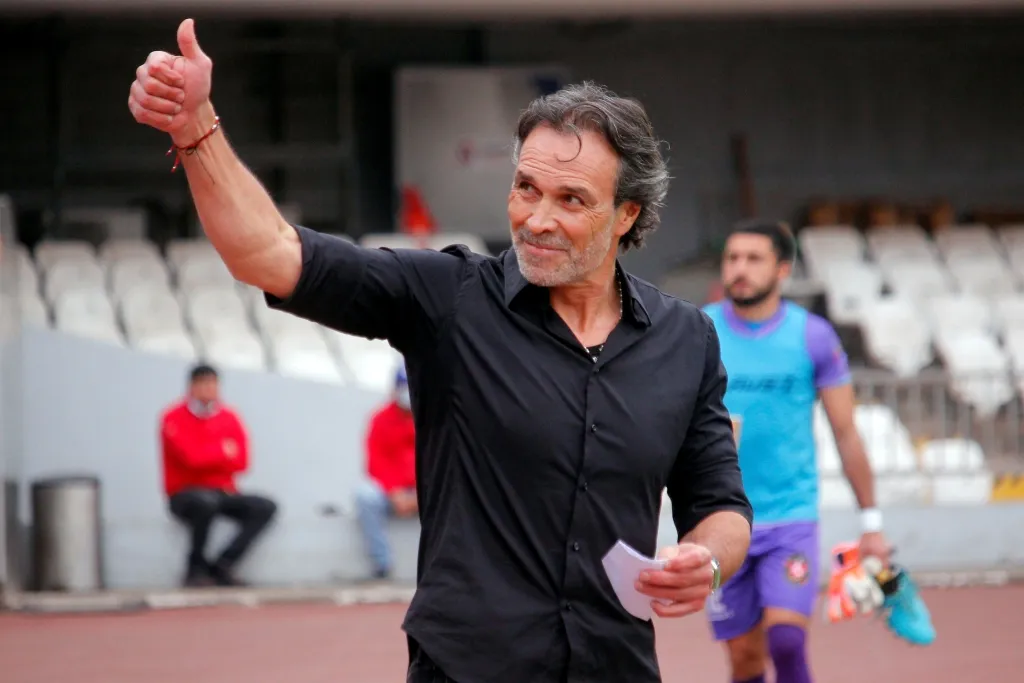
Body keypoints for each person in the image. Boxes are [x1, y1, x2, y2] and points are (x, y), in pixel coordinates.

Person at [129, 19, 753, 683]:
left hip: (616, 666)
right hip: (465, 669)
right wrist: (196, 127)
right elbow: (267, 251)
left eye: (571, 199)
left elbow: (719, 503)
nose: (537, 219)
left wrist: (706, 559)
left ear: (626, 214)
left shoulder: (687, 338)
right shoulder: (449, 297)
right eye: (526, 188)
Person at [702, 219, 933, 683]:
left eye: (753, 259)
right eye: (732, 259)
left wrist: (872, 526)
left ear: (783, 269)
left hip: (791, 515)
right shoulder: (698, 330)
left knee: (786, 641)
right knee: (745, 658)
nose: (739, 269)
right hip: (717, 520)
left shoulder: (813, 337)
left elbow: (847, 433)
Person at [160, 363, 277, 587]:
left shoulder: (229, 416)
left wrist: (209, 455)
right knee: (205, 503)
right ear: (191, 387)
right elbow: (190, 459)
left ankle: (223, 564)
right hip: (184, 493)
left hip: (222, 491)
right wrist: (222, 451)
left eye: (212, 384)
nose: (208, 389)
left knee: (265, 507)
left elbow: (242, 462)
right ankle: (194, 568)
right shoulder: (173, 417)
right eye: (202, 383)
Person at [354, 363, 418, 580]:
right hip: (394, 493)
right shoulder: (381, 418)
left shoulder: (435, 416)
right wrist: (395, 492)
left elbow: (443, 460)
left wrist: (422, 493)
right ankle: (382, 565)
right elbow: (376, 462)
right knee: (365, 496)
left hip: (429, 490)